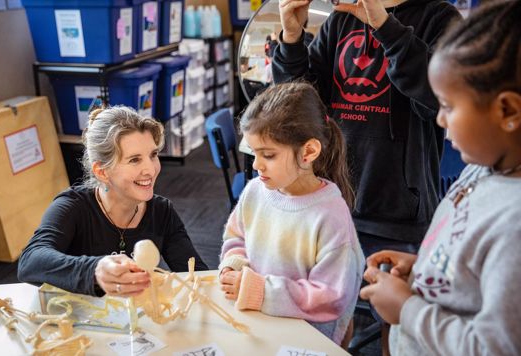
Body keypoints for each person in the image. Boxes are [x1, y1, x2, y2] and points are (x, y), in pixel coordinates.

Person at [360, 1, 521, 354]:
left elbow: (493, 347)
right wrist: (425, 271)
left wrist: (408, 310)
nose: (440, 119)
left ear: (508, 110)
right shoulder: (482, 170)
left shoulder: (515, 225)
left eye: (448, 106)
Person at [273, 0, 461, 258]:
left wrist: (385, 27)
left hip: (398, 221)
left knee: (390, 297)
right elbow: (299, 107)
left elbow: (440, 97)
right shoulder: (340, 21)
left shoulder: (440, 18)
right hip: (331, 206)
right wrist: (292, 40)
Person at [218, 82, 365, 345]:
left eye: (269, 155)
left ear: (308, 151)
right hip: (260, 324)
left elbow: (331, 296)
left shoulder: (330, 215)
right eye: (254, 153)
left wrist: (258, 291)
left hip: (305, 341)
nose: (256, 164)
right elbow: (236, 237)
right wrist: (235, 265)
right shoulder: (254, 191)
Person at [18, 106, 208, 297]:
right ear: (102, 172)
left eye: (153, 155)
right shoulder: (72, 206)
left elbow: (196, 274)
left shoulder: (161, 211)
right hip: (78, 319)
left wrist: (226, 278)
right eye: (134, 160)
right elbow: (30, 262)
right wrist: (95, 270)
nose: (150, 169)